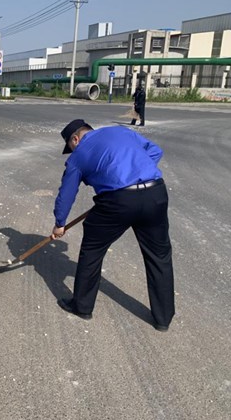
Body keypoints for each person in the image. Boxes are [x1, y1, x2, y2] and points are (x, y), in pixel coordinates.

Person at [51, 119, 175, 331]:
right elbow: (155, 151)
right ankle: (163, 319)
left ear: (75, 139)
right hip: (155, 192)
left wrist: (59, 223)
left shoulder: (78, 156)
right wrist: (137, 176)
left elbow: (67, 193)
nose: (72, 150)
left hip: (118, 202)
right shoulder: (121, 131)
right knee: (159, 255)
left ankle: (82, 306)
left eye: (70, 146)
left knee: (92, 249)